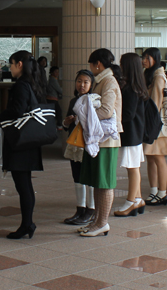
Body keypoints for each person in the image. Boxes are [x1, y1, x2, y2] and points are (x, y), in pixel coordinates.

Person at [0, 51, 46, 239]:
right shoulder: (33, 83)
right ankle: (27, 223)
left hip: (21, 143)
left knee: (23, 185)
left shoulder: (22, 85)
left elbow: (17, 110)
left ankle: (27, 224)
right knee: (25, 185)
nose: (10, 68)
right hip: (28, 140)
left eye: (12, 64)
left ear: (20, 64)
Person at [77, 48, 123, 237]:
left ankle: (102, 223)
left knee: (104, 182)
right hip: (99, 138)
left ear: (97, 64)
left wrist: (84, 116)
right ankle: (97, 221)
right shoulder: (101, 80)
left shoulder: (109, 81)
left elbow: (106, 111)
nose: (90, 67)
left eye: (91, 63)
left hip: (107, 139)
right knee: (97, 181)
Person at [114, 53, 147, 217]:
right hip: (135, 133)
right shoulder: (137, 86)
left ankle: (131, 201)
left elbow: (128, 114)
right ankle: (138, 199)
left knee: (132, 168)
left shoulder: (131, 89)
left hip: (131, 134)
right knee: (134, 167)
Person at [62, 69, 95, 225]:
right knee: (77, 176)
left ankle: (91, 209)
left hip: (88, 144)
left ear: (91, 84)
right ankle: (80, 209)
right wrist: (67, 122)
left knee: (89, 177)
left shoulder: (94, 100)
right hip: (75, 144)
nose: (82, 85)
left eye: (86, 82)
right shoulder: (73, 101)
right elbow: (66, 125)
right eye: (79, 81)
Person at [142, 48, 167, 206]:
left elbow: (155, 105)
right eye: (143, 57)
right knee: (151, 158)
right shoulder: (150, 75)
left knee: (158, 158)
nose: (144, 61)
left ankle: (162, 192)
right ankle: (154, 191)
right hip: (151, 123)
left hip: (156, 125)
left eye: (148, 58)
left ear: (155, 59)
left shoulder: (158, 77)